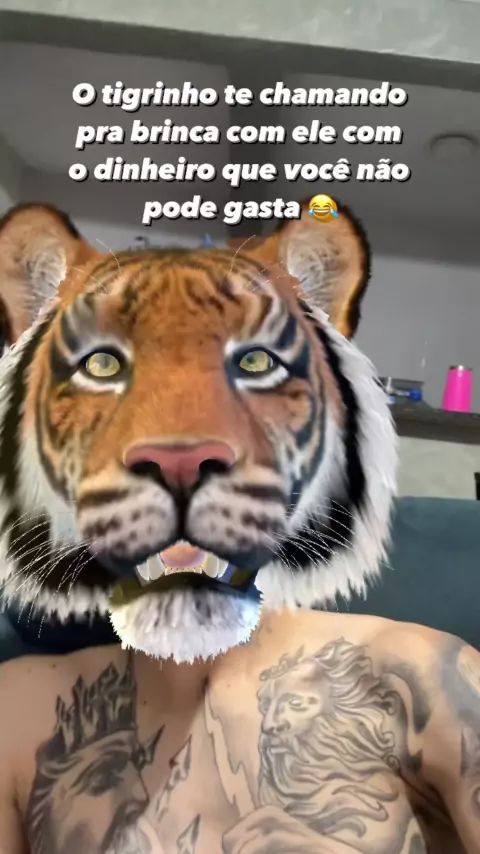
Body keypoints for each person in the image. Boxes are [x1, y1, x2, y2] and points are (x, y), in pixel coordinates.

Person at [0, 201, 478, 853]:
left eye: (255, 363)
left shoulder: (423, 681)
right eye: (103, 365)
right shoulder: (17, 713)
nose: (179, 447)